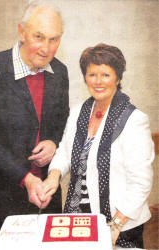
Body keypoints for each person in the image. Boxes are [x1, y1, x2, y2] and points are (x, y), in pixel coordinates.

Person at [0, 1, 69, 249]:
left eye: (54, 39)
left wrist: (53, 142)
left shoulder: (61, 72)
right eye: (39, 36)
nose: (46, 48)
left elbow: (62, 120)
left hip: (45, 196)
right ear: (21, 31)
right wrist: (25, 178)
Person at [42, 43, 154, 249]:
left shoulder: (134, 120)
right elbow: (65, 151)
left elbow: (141, 182)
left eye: (106, 75)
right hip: (78, 214)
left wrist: (116, 224)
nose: (98, 82)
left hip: (121, 219)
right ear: (85, 77)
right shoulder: (78, 112)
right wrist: (53, 176)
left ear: (118, 78)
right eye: (92, 75)